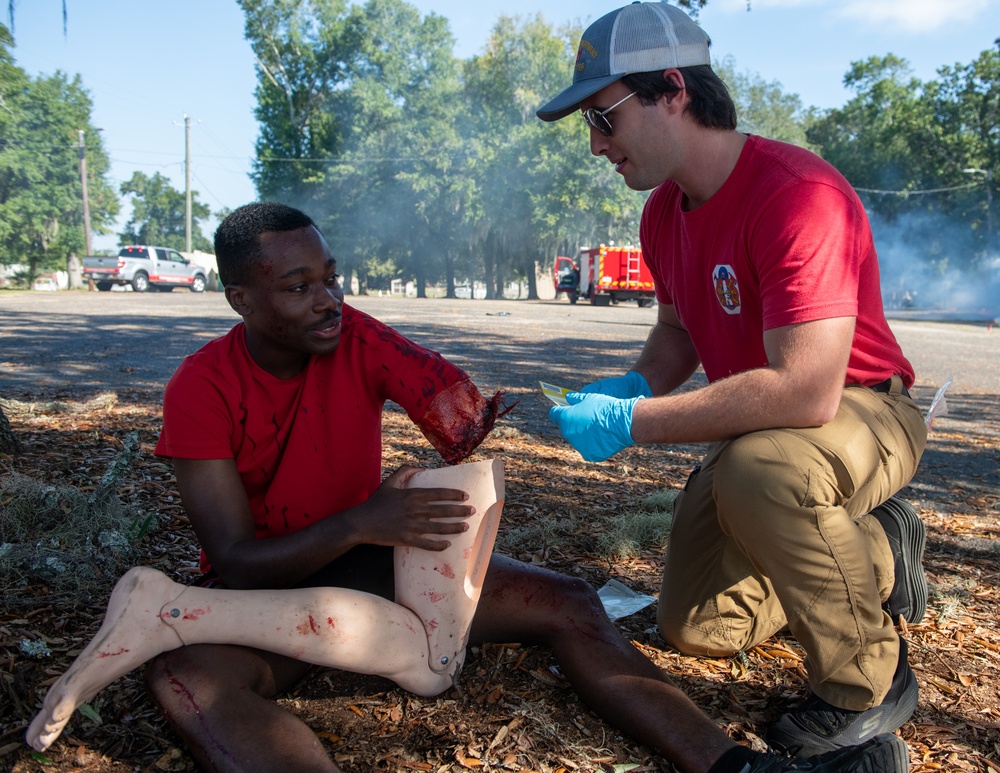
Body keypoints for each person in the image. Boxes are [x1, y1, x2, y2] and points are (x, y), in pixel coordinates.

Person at [27, 202, 910, 773]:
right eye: (298, 287)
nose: (328, 300)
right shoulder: (201, 388)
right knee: (187, 678)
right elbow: (235, 558)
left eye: (331, 277)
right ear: (241, 301)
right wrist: (367, 517)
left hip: (378, 569)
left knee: (571, 601)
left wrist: (483, 418)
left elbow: (448, 407)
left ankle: (730, 764)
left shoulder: (354, 335)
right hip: (266, 593)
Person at [538, 0, 928, 762]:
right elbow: (678, 333)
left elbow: (806, 389)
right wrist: (634, 385)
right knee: (697, 624)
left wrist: (632, 424)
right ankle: (878, 546)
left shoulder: (798, 194)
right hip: (767, 431)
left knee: (760, 473)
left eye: (604, 118)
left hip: (861, 408)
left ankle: (869, 682)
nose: (595, 144)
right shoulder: (662, 215)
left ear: (673, 90)